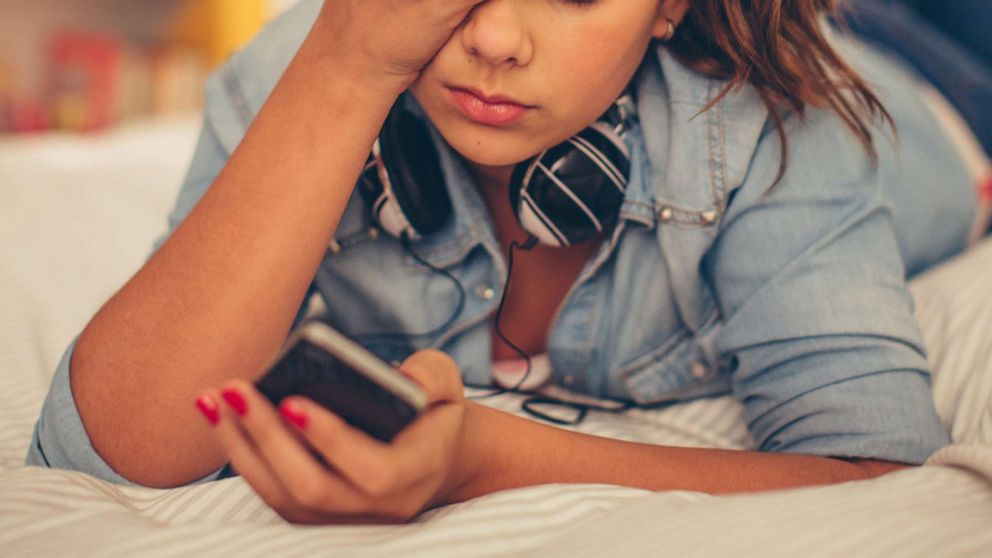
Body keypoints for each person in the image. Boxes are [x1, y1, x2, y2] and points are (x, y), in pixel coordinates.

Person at [27, 0, 989, 525]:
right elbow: (101, 457)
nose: (493, 38)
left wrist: (483, 459)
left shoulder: (778, 128)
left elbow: (880, 476)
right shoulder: (304, 64)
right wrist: (343, 69)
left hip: (932, 88)